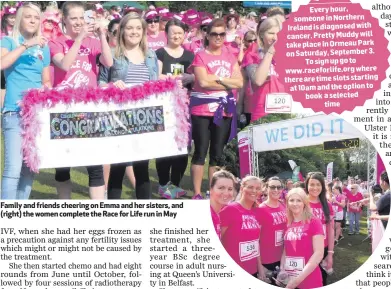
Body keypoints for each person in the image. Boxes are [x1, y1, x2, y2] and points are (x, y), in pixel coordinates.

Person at [49, 1, 113, 199]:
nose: (78, 22)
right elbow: (65, 65)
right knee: (62, 167)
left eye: (81, 18)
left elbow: (109, 62)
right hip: (63, 109)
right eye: (73, 18)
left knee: (94, 166)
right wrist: (79, 39)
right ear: (64, 19)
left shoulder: (93, 42)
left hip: (89, 109)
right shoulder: (56, 42)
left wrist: (102, 34)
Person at [98, 12, 159, 200]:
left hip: (144, 119)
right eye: (130, 28)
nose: (134, 32)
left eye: (138, 28)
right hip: (119, 119)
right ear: (122, 31)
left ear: (143, 31)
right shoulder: (113, 54)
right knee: (117, 167)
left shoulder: (151, 56)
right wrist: (111, 86)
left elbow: (156, 86)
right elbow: (100, 84)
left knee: (142, 168)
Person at [188, 18, 243, 199]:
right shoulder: (201, 56)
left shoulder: (230, 56)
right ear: (207, 35)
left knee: (217, 154)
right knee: (201, 151)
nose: (218, 37)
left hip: (224, 110)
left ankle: (213, 192)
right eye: (214, 34)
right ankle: (196, 192)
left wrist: (216, 80)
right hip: (202, 110)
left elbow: (240, 82)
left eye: (221, 34)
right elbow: (203, 82)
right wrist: (227, 83)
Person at [1, 2, 51, 199]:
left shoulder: (43, 48)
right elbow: (2, 63)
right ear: (20, 18)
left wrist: (45, 88)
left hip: (36, 115)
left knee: (30, 168)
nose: (32, 20)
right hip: (14, 112)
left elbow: (46, 80)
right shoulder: (8, 41)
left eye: (36, 17)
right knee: (13, 168)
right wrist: (25, 45)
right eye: (28, 16)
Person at [155, 19, 195, 198]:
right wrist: (174, 79)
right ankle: (163, 184)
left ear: (184, 34)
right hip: (165, 105)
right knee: (165, 145)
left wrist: (189, 78)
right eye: (173, 33)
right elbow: (157, 76)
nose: (176, 36)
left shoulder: (190, 55)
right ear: (167, 35)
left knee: (182, 148)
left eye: (180, 33)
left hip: (184, 106)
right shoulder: (159, 53)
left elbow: (195, 77)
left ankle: (176, 185)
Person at [280, 188, 324, 289]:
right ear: (287, 203)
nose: (295, 203)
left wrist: (298, 279)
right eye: (291, 200)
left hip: (309, 278)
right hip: (290, 278)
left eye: (298, 200)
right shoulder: (288, 222)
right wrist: (283, 269)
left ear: (304, 202)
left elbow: (319, 253)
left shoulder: (313, 221)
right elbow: (286, 249)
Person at [242, 16, 284, 122]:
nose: (275, 37)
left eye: (278, 33)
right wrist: (270, 52)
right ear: (261, 34)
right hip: (262, 113)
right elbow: (258, 81)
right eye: (271, 33)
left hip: (286, 112)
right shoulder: (252, 55)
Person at [220, 176, 262, 278]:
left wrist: (260, 269)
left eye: (257, 188)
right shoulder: (230, 209)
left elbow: (256, 243)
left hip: (252, 270)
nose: (254, 191)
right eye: (250, 187)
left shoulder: (257, 211)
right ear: (242, 188)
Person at [305, 172, 334, 286]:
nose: (315, 188)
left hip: (323, 249)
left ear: (322, 186)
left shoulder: (327, 205)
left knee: (321, 279)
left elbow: (331, 231)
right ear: (307, 185)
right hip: (305, 248)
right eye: (312, 184)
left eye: (318, 184)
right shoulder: (301, 203)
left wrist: (330, 253)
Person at [256, 177, 287, 285]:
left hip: (283, 258)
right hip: (266, 261)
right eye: (272, 187)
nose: (276, 190)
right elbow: (255, 241)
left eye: (279, 187)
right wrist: (259, 267)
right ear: (266, 188)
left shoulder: (284, 205)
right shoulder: (261, 209)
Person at [209, 169, 236, 239]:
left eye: (230, 189)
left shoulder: (220, 212)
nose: (226, 193)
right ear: (211, 189)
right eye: (221, 188)